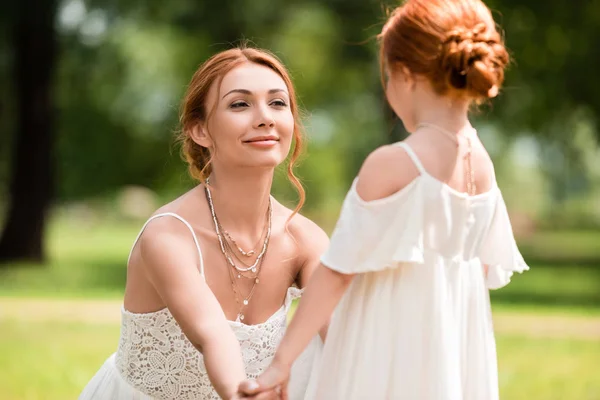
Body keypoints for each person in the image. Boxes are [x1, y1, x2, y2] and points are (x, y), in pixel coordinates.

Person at [238, 0, 528, 399]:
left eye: (387, 76)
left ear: (405, 76)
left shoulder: (393, 164)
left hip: (388, 347)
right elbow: (474, 273)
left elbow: (337, 271)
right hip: (449, 354)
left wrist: (282, 361)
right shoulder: (482, 165)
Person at [80, 46, 327, 400]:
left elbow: (347, 333)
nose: (265, 118)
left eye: (277, 103)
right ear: (200, 130)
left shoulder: (304, 239)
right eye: (240, 104)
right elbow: (213, 334)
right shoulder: (168, 234)